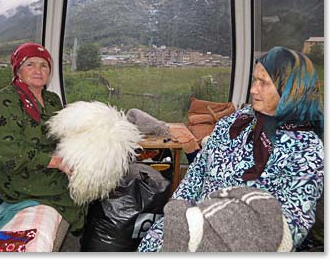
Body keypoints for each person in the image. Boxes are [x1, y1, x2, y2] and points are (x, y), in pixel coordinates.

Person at [137, 46, 324, 252]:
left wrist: (213, 237)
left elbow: (294, 223)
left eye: (263, 83)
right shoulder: (235, 122)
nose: (253, 89)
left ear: (291, 90)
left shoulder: (306, 148)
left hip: (241, 243)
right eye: (254, 80)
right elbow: (195, 176)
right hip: (193, 222)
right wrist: (177, 219)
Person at [0, 42, 87, 234]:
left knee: (91, 178)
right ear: (18, 69)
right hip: (17, 174)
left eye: (44, 65)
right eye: (30, 64)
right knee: (72, 190)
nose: (38, 70)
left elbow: (63, 134)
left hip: (50, 162)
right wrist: (57, 162)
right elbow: (10, 153)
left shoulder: (52, 99)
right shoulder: (4, 101)